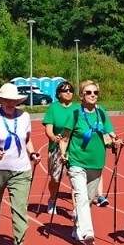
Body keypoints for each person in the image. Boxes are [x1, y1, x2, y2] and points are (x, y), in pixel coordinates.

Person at [59, 80, 123, 245]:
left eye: (95, 92)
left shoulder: (101, 113)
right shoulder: (74, 114)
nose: (93, 95)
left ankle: (76, 228)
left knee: (87, 199)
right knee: (80, 196)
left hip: (96, 162)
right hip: (77, 161)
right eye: (88, 92)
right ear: (81, 96)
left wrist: (116, 141)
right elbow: (65, 138)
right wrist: (63, 153)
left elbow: (110, 132)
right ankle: (88, 232)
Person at [0, 83, 40, 245]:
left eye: (13, 101)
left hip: (21, 169)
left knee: (20, 207)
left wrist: (32, 153)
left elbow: (26, 140)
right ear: (1, 100)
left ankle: (19, 244)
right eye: (6, 100)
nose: (10, 103)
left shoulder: (24, 117)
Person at [42, 81, 78, 215]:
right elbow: (48, 129)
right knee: (55, 178)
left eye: (70, 90)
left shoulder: (77, 109)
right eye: (65, 90)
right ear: (59, 94)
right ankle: (52, 199)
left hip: (74, 148)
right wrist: (54, 138)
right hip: (56, 148)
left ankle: (76, 208)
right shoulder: (53, 108)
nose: (68, 92)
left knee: (76, 179)